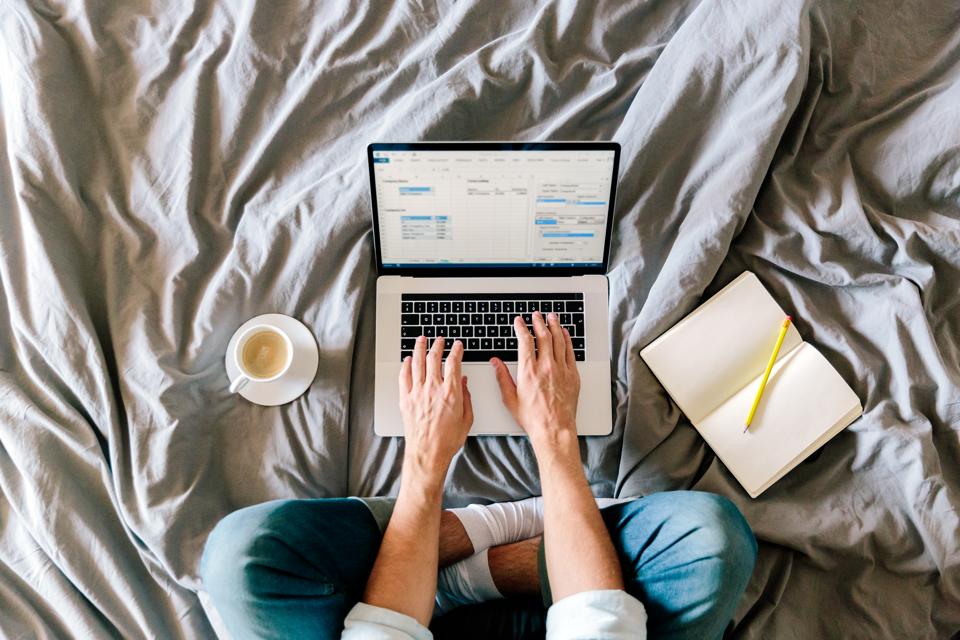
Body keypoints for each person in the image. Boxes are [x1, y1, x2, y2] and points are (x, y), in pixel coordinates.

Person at [201, 312, 757, 639]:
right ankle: (506, 553)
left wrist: (426, 460)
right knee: (712, 544)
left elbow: (381, 633)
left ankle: (446, 571)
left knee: (237, 560)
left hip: (384, 617)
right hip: (555, 625)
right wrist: (553, 435)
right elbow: (597, 620)